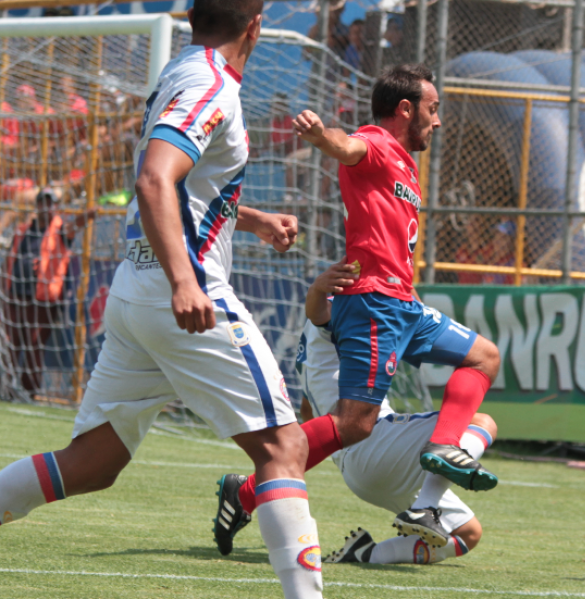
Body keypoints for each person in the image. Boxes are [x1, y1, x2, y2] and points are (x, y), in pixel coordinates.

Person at [0, 3, 326, 599]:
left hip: (137, 291)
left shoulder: (183, 70)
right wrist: (183, 280)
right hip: (181, 295)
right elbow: (154, 179)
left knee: (95, 462)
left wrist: (250, 220)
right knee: (285, 446)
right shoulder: (210, 84)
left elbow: (183, 185)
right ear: (255, 27)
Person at [289, 64, 501, 546]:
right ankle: (255, 485)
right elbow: (348, 146)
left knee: (484, 357)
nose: (438, 120)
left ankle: (436, 470)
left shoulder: (407, 164)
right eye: (433, 108)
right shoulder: (378, 143)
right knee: (354, 425)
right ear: (406, 109)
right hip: (374, 301)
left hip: (402, 302)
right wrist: (321, 137)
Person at [213, 262, 496, 564]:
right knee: (481, 422)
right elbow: (322, 312)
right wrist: (319, 290)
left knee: (468, 534)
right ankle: (425, 504)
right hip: (375, 444)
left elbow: (309, 413)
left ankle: (367, 553)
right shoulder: (357, 302)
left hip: (361, 470)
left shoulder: (322, 342)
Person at [2, 187, 95, 394]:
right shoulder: (23, 230)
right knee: (11, 344)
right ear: (37, 205)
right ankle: (7, 388)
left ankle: (29, 392)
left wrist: (88, 213)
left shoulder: (60, 230)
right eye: (42, 202)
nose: (46, 207)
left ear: (56, 207)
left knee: (34, 344)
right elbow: (10, 260)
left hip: (43, 299)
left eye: (50, 203)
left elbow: (76, 225)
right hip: (16, 295)